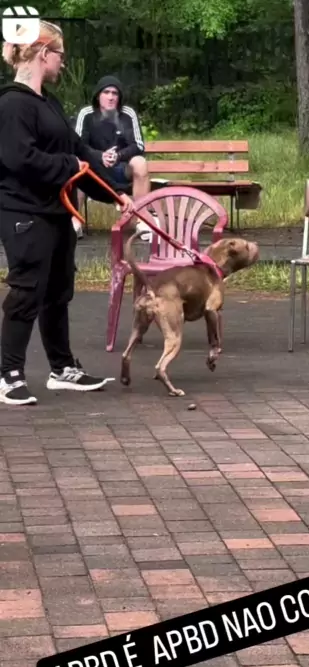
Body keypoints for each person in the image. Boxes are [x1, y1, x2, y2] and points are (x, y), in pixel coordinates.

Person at [0, 20, 134, 406]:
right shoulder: (12, 104)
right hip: (24, 211)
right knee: (27, 290)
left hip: (58, 211)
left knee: (58, 291)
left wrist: (116, 195)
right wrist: (68, 165)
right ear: (44, 54)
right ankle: (9, 375)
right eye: (60, 54)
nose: (63, 62)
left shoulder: (49, 103)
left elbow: (81, 155)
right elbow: (19, 159)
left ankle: (61, 369)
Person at [74, 76, 152, 240]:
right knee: (78, 165)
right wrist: (99, 156)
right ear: (98, 95)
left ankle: (142, 221)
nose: (110, 97)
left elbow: (138, 145)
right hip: (94, 171)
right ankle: (75, 221)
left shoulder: (128, 114)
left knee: (140, 162)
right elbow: (78, 146)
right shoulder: (86, 114)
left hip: (121, 168)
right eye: (106, 92)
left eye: (115, 93)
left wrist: (118, 156)